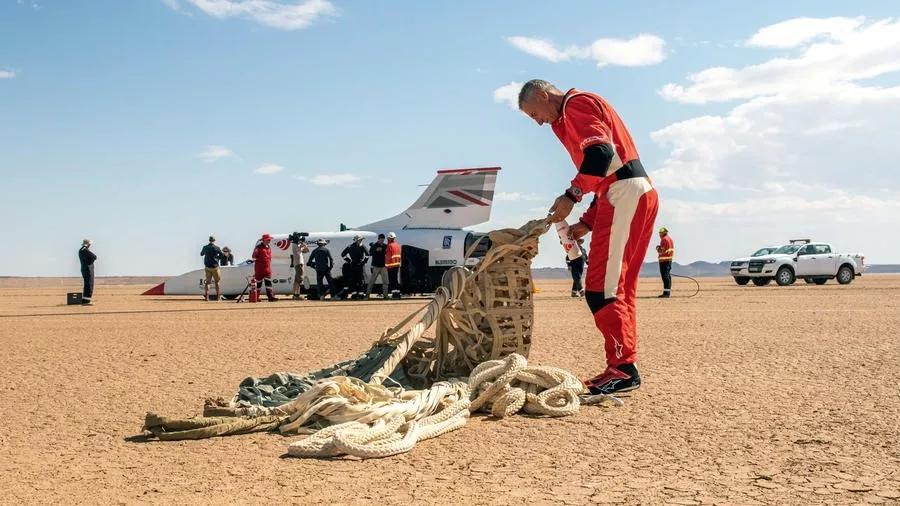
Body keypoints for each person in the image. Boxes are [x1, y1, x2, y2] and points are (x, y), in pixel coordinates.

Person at [518, 79, 659, 394]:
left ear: (543, 95)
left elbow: (600, 154)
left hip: (624, 192)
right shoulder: (571, 113)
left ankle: (623, 369)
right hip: (623, 192)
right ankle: (621, 366)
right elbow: (608, 171)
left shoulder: (575, 104)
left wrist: (571, 194)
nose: (538, 122)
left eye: (534, 114)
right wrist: (586, 223)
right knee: (617, 290)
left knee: (600, 290)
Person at [252, 234, 278, 302]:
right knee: (258, 283)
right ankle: (256, 297)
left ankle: (270, 296)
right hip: (259, 268)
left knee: (268, 283)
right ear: (264, 240)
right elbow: (253, 257)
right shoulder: (258, 247)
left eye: (270, 240)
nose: (269, 241)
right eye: (268, 240)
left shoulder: (268, 247)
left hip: (267, 268)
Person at [366, 234, 390, 299]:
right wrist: (376, 250)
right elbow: (369, 253)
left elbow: (388, 253)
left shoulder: (385, 246)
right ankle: (367, 295)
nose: (382, 241)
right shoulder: (374, 245)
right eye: (381, 239)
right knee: (372, 281)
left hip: (383, 266)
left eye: (383, 239)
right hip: (376, 266)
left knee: (385, 281)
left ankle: (386, 295)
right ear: (378, 239)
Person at [200, 235, 223, 301]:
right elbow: (221, 256)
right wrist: (217, 257)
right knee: (217, 282)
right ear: (214, 241)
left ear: (209, 240)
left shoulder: (205, 247)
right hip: (215, 267)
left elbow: (201, 254)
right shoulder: (217, 248)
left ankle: (207, 297)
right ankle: (218, 297)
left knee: (208, 282)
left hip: (207, 267)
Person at [656, 227, 675, 298]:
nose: (659, 235)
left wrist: (658, 248)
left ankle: (666, 294)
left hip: (664, 261)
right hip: (669, 260)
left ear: (662, 233)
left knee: (665, 277)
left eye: (660, 233)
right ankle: (667, 292)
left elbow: (662, 250)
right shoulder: (670, 239)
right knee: (667, 276)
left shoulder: (664, 240)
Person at [290, 234, 310, 300]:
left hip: (299, 263)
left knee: (297, 279)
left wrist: (304, 245)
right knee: (299, 279)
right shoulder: (294, 245)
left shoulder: (297, 245)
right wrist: (303, 244)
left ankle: (296, 294)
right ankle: (296, 295)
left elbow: (306, 251)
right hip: (298, 263)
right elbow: (299, 251)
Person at [78, 239, 96, 305]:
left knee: (88, 284)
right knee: (89, 285)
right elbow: (94, 256)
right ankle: (86, 301)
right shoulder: (84, 250)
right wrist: (90, 261)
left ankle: (85, 300)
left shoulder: (83, 250)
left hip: (86, 269)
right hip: (87, 269)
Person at [385, 232, 402, 298]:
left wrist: (386, 266)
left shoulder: (389, 246)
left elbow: (388, 257)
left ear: (388, 238)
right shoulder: (397, 245)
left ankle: (394, 294)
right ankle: (398, 293)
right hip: (397, 265)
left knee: (392, 280)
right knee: (395, 279)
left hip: (391, 266)